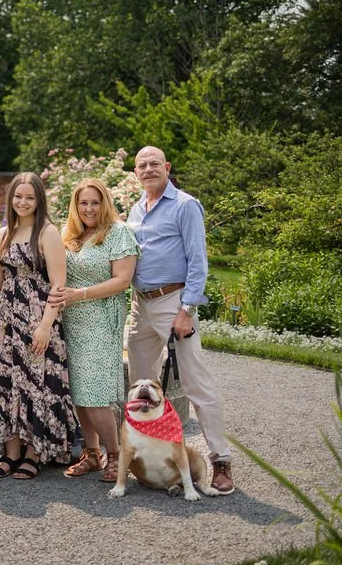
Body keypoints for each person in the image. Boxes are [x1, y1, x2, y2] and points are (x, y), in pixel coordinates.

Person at [125, 146, 234, 494]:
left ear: (167, 167)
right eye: (142, 165)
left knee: (196, 383)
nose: (149, 168)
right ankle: (148, 459)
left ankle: (220, 461)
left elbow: (198, 262)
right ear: (136, 172)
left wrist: (187, 310)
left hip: (174, 302)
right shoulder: (136, 208)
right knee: (140, 386)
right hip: (141, 304)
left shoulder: (185, 205)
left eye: (155, 163)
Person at [0, 172, 76, 480]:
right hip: (6, 320)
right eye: (18, 196)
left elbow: (59, 284)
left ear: (39, 201)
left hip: (37, 317)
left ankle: (33, 453)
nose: (22, 202)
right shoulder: (3, 234)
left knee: (36, 384)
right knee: (4, 381)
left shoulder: (47, 232)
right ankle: (10, 454)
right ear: (10, 198)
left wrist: (46, 326)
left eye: (29, 197)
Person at [48, 178, 139, 483]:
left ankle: (115, 454)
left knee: (95, 395)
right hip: (70, 322)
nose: (89, 208)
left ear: (105, 204)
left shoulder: (118, 234)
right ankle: (91, 452)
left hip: (100, 321)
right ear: (75, 206)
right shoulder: (69, 235)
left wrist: (80, 294)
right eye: (83, 203)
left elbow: (122, 280)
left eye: (95, 202)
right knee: (77, 392)